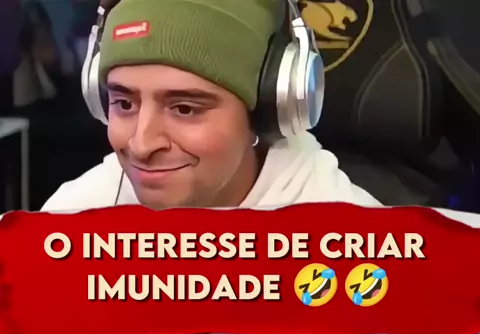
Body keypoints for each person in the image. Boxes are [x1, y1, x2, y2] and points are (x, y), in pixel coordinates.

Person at [40, 0, 380, 213]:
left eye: (184, 109)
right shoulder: (70, 219)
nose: (142, 145)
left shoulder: (360, 245)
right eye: (125, 103)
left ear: (263, 112)